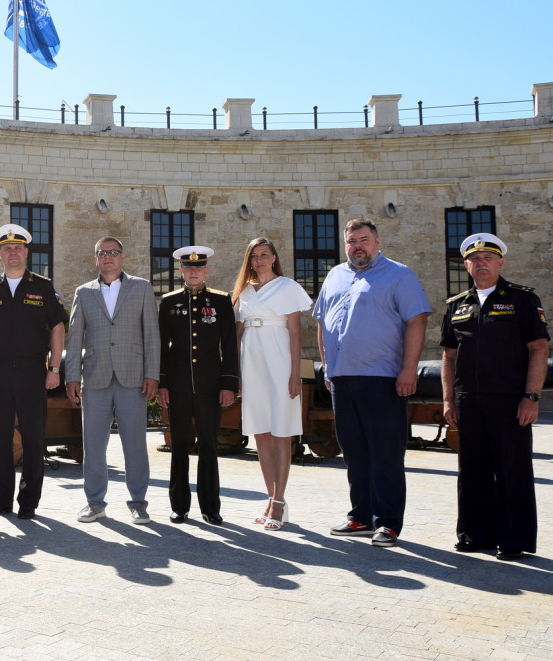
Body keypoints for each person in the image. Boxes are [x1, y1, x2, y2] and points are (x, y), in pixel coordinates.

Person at [313, 218, 430, 548]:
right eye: (351, 241)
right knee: (354, 451)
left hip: (382, 378)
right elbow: (322, 322)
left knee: (385, 452)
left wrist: (409, 369)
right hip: (342, 379)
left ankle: (388, 523)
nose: (357, 246)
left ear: (378, 242)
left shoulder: (399, 275)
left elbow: (416, 321)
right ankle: (361, 515)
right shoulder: (336, 275)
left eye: (364, 239)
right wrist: (327, 367)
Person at [440, 233, 548, 560]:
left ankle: (514, 539)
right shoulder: (457, 305)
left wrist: (532, 396)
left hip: (510, 401)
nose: (481, 263)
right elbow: (448, 356)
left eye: (488, 257)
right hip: (469, 401)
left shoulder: (522, 299)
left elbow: (539, 349)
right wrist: (448, 401)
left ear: (500, 262)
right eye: (474, 259)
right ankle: (475, 534)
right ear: (466, 265)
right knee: (472, 470)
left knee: (512, 470)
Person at [0, 224, 66, 520]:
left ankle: (28, 501)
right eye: (6, 248)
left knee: (33, 438)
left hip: (31, 373)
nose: (12, 253)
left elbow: (58, 327)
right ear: (0, 253)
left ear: (26, 252)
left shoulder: (42, 286)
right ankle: (1, 498)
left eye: (17, 248)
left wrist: (54, 368)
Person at [63, 236, 159, 524]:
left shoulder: (141, 288)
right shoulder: (84, 292)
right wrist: (71, 376)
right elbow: (75, 335)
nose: (108, 257)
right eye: (102, 253)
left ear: (123, 257)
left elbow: (152, 335)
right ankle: (95, 502)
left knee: (135, 443)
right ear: (95, 259)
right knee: (93, 444)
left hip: (133, 377)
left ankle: (139, 503)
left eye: (113, 252)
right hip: (94, 377)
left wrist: (152, 373)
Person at [231, 238, 313, 531]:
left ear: (275, 257)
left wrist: (294, 374)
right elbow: (237, 334)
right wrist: (236, 374)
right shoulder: (243, 291)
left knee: (281, 432)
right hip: (252, 364)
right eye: (254, 256)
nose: (259, 260)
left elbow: (294, 333)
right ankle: (270, 498)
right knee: (261, 433)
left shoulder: (289, 287)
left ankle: (279, 502)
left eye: (264, 255)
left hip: (279, 361)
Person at [157, 246, 238, 526]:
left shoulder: (220, 301)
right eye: (187, 268)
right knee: (179, 446)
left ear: (206, 271)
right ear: (181, 271)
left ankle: (210, 507)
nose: (193, 272)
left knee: (208, 446)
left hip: (210, 385)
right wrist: (162, 383)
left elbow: (229, 346)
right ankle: (179, 506)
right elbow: (162, 348)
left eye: (198, 268)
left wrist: (229, 383)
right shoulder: (169, 302)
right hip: (178, 386)